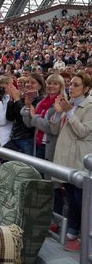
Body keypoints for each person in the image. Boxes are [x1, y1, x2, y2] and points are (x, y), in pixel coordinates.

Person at [50, 72, 92, 251]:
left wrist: (69, 112)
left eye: (76, 85)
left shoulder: (89, 107)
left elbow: (83, 132)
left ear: (86, 88)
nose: (71, 87)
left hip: (79, 160)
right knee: (71, 200)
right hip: (65, 160)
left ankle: (84, 238)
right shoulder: (68, 105)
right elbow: (54, 129)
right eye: (71, 84)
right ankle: (74, 232)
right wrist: (59, 114)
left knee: (81, 201)